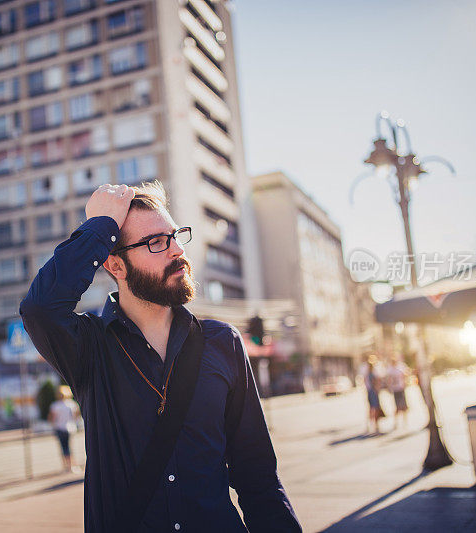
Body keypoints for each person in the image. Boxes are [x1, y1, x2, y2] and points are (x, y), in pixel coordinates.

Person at [20, 182, 301, 532]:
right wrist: (100, 227)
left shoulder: (222, 342)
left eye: (176, 236)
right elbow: (39, 310)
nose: (177, 251)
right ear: (115, 266)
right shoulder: (89, 347)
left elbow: (258, 477)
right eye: (156, 242)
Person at [48, 385, 81, 473]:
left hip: (60, 427)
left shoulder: (55, 405)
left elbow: (52, 418)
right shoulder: (72, 404)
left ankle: (67, 466)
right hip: (71, 428)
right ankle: (72, 465)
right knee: (69, 447)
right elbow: (76, 416)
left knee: (64, 448)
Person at [360, 355, 385, 434]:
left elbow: (378, 380)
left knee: (375, 408)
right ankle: (372, 425)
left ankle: (375, 425)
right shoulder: (367, 371)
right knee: (372, 409)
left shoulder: (375, 371)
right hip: (371, 391)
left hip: (373, 391)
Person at [387, 357, 410, 429]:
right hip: (395, 389)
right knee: (397, 407)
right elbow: (389, 379)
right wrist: (389, 387)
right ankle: (396, 423)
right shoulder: (390, 369)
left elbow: (405, 375)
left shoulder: (400, 367)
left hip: (400, 388)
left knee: (404, 406)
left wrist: (405, 383)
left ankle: (405, 422)